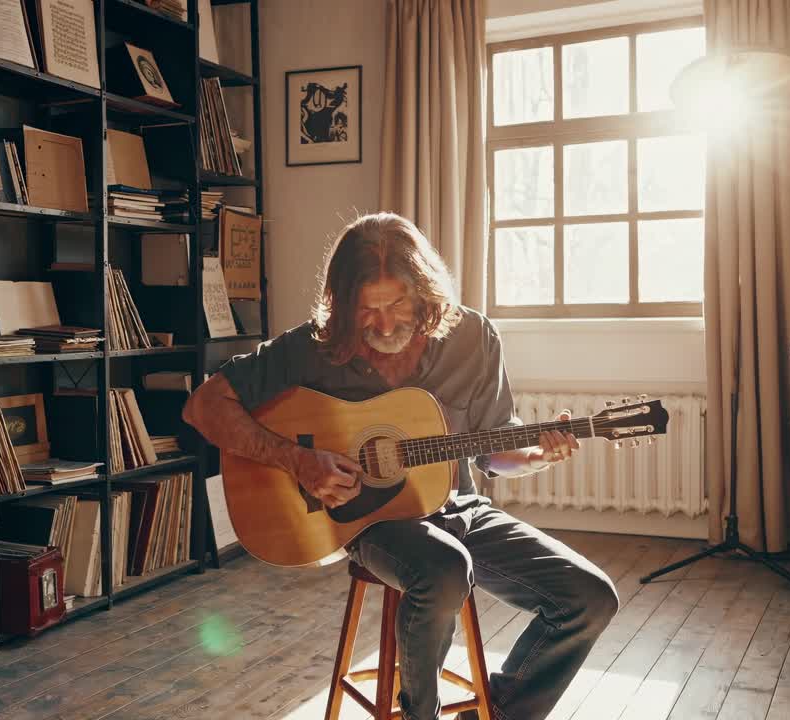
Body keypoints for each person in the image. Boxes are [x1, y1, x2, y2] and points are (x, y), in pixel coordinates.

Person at [182, 212, 619, 720]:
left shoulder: (473, 338)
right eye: (368, 309)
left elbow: (492, 448)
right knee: (444, 568)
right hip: (368, 521)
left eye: (398, 304)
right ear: (344, 303)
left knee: (590, 597)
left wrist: (537, 455)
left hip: (458, 508)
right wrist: (297, 460)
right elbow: (204, 406)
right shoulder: (313, 346)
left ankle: (493, 713)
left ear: (426, 291)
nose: (385, 324)